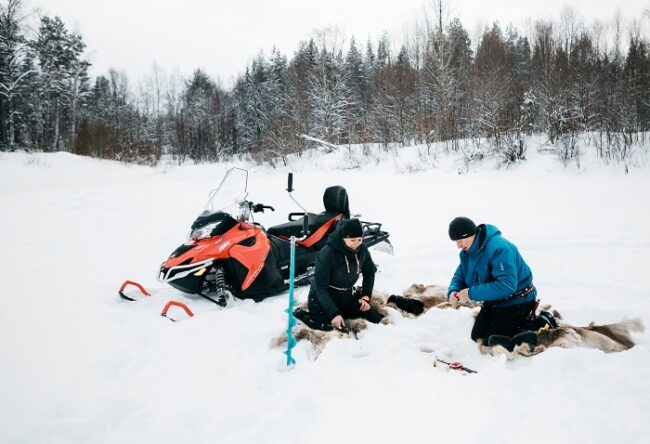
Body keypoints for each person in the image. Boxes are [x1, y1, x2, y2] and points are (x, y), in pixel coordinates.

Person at [447, 217, 537, 350]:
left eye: (460, 241)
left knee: (492, 341)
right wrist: (453, 291)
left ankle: (535, 326)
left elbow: (507, 285)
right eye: (456, 242)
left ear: (471, 235)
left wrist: (471, 294)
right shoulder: (467, 252)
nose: (458, 246)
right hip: (494, 301)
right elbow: (459, 276)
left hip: (518, 300)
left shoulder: (499, 248)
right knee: (477, 335)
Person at [302, 218, 385, 331]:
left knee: (375, 318)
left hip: (346, 296)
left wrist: (365, 297)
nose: (356, 244)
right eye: (352, 240)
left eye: (360, 240)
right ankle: (301, 315)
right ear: (343, 238)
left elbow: (369, 272)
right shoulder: (327, 254)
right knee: (330, 328)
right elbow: (321, 288)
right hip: (321, 300)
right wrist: (334, 313)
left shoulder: (362, 250)